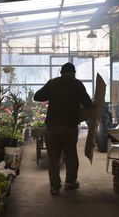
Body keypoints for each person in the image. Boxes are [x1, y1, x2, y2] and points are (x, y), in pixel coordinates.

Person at [34, 62, 93, 196]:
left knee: (53, 158)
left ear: (61, 72)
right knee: (71, 154)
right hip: (69, 127)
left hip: (52, 128)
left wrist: (52, 95)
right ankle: (70, 183)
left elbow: (37, 96)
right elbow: (88, 104)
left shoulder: (52, 83)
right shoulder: (77, 84)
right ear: (73, 73)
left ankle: (54, 187)